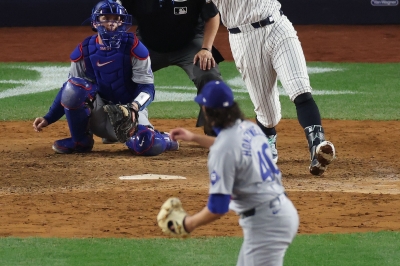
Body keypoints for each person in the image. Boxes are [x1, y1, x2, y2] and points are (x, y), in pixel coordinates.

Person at [168, 80, 299, 266]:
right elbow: (232, 148)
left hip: (266, 225)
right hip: (280, 212)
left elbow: (218, 207)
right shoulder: (250, 128)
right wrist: (194, 138)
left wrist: (187, 223)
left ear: (207, 111)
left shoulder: (223, 150)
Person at [32, 0, 178, 156]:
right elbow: (69, 89)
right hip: (99, 112)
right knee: (76, 86)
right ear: (95, 22)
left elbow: (147, 88)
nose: (111, 23)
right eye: (106, 18)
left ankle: (165, 139)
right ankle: (80, 141)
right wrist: (49, 117)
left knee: (148, 145)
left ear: (122, 21)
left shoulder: (134, 47)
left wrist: (135, 106)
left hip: (128, 112)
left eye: (116, 19)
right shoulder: (85, 49)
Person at [210, 0, 335, 176]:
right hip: (244, 40)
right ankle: (267, 141)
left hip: (278, 27)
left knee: (300, 90)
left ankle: (317, 147)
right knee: (267, 114)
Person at [118, 0, 224, 136]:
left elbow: (212, 16)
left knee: (209, 75)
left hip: (189, 44)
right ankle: (118, 125)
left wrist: (206, 49)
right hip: (148, 45)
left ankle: (213, 128)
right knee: (120, 73)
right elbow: (115, 12)